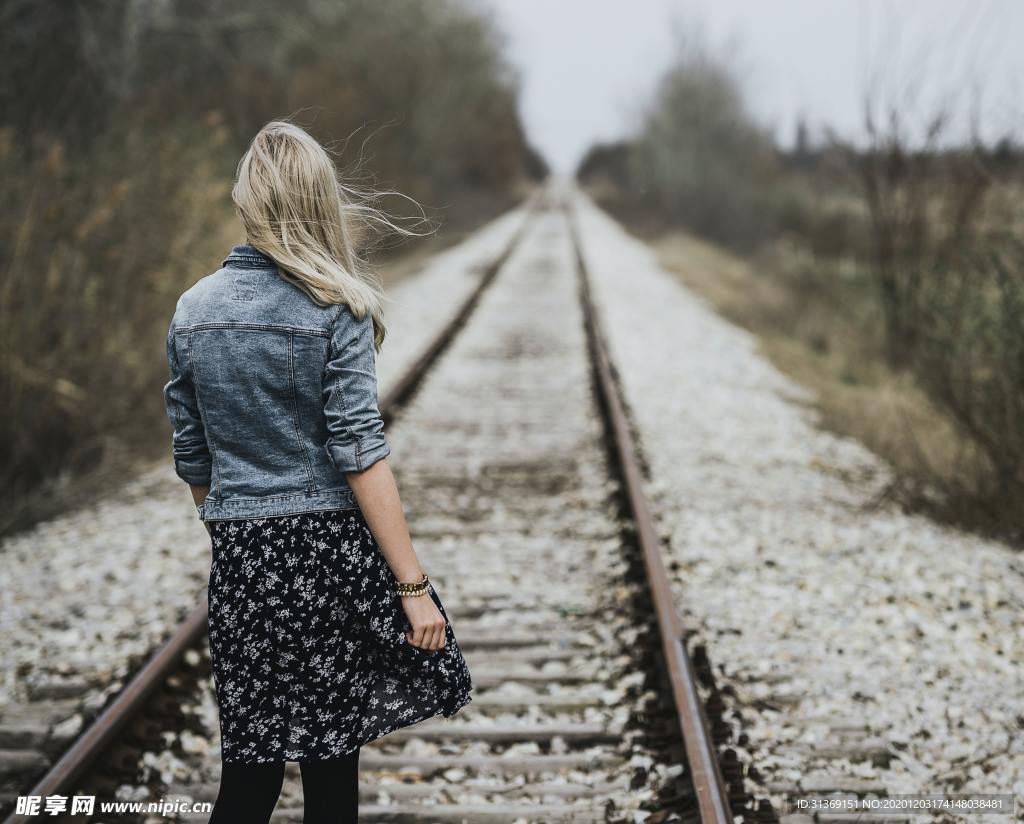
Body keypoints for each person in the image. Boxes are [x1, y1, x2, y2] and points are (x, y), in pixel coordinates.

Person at [162, 120, 473, 823]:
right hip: (326, 556)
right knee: (330, 768)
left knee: (250, 771)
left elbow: (192, 456)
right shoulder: (337, 308)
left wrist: (235, 523)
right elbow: (362, 456)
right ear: (318, 203)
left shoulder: (192, 310)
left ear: (248, 200)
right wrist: (412, 587)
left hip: (243, 559)